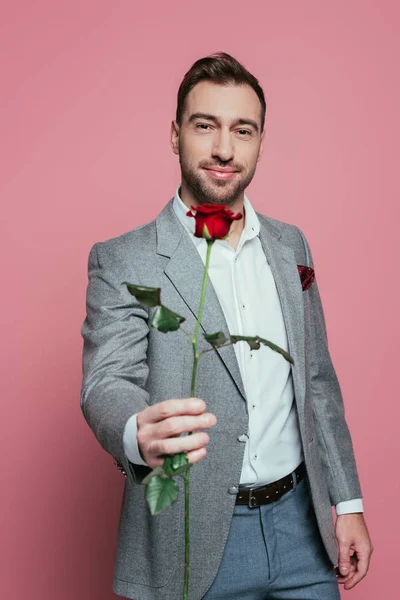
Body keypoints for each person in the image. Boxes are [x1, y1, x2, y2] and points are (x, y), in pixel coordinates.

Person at [80, 52, 373, 600]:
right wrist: (135, 431)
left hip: (303, 531)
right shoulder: (124, 260)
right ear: (175, 135)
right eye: (204, 125)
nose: (223, 148)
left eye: (242, 129)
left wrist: (348, 504)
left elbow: (317, 384)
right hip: (191, 538)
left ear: (261, 141)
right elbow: (106, 382)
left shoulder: (292, 247)